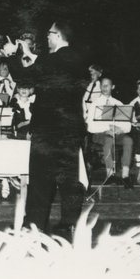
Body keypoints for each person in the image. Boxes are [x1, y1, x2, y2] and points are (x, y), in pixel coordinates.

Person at [24, 21, 87, 237]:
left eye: (50, 33)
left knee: (40, 181)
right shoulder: (77, 61)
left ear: (58, 36)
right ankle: (69, 225)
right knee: (69, 180)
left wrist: (17, 53)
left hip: (48, 130)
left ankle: (34, 227)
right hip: (70, 129)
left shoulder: (50, 60)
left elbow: (23, 77)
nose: (47, 37)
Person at [86, 77, 132, 188]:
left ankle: (125, 175)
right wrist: (107, 127)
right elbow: (90, 126)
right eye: (102, 85)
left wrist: (120, 129)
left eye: (107, 85)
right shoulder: (95, 104)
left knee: (128, 140)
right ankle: (110, 174)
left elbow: (128, 125)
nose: (105, 87)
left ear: (113, 87)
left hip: (116, 134)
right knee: (108, 140)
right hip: (100, 134)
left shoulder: (118, 103)